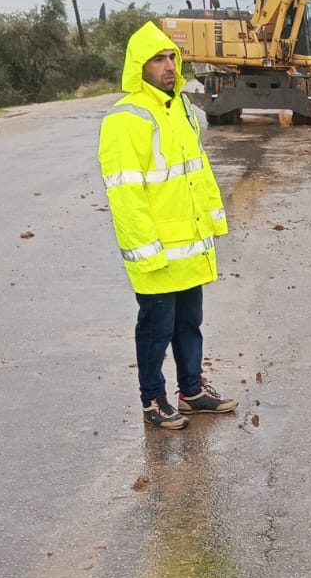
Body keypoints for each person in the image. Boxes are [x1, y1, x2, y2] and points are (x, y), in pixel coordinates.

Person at [98, 23, 238, 429]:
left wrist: (212, 224)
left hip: (189, 245)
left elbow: (198, 173)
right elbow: (125, 193)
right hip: (157, 249)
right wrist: (146, 249)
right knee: (156, 330)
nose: (168, 66)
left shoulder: (182, 110)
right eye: (158, 60)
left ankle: (191, 390)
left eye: (172, 58)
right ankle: (153, 399)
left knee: (188, 324)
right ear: (138, 67)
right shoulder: (124, 119)